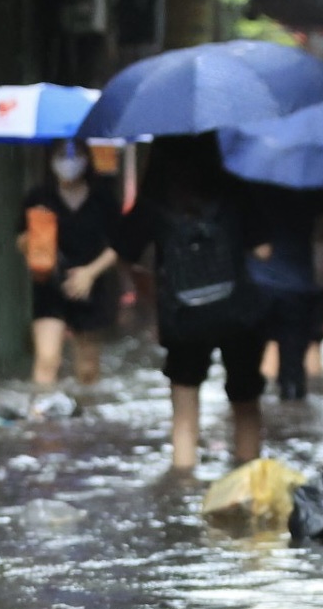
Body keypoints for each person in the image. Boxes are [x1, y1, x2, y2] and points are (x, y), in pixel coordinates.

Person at [112, 134, 272, 473]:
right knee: (245, 404)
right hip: (238, 313)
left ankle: (182, 488)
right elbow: (263, 250)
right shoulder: (236, 187)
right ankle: (250, 485)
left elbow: (125, 252)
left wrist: (151, 286)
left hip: (182, 315)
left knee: (184, 413)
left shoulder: (155, 199)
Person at [17, 140, 121, 386]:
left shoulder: (102, 198)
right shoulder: (39, 197)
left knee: (87, 368)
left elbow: (120, 245)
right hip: (49, 286)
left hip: (90, 287)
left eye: (75, 153)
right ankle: (41, 416)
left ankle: (83, 418)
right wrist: (36, 233)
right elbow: (19, 241)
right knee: (47, 359)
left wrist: (90, 273)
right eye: (62, 154)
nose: (69, 160)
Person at [248, 183, 323, 400]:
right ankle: (291, 414)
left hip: (254, 283)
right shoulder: (317, 181)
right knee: (294, 371)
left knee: (248, 375)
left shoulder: (249, 179)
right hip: (297, 285)